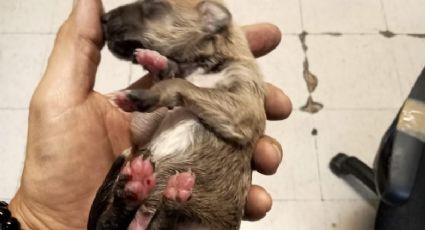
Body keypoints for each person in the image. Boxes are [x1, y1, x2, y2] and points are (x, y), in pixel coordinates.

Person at [6, 0, 292, 229]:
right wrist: (35, 220)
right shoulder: (186, 76)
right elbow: (141, 129)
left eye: (153, 11)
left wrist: (177, 89)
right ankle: (133, 203)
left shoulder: (242, 74)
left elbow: (240, 122)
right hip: (157, 194)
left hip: (200, 214)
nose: (141, 14)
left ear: (210, 19)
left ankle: (141, 204)